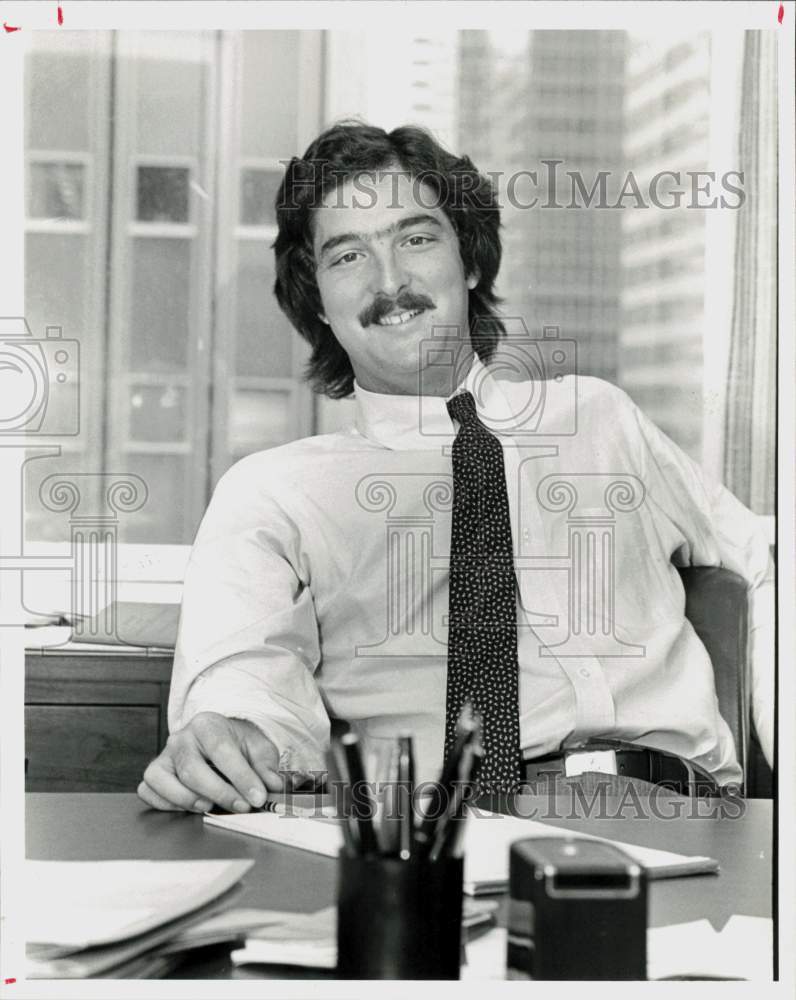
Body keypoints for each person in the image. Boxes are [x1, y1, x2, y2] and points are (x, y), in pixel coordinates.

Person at [137, 122, 773, 815]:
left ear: (468, 261)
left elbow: (764, 558)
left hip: (677, 805)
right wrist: (229, 733)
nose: (390, 282)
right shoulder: (274, 493)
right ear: (318, 300)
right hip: (441, 839)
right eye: (348, 256)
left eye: (415, 238)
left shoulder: (600, 419)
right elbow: (244, 679)